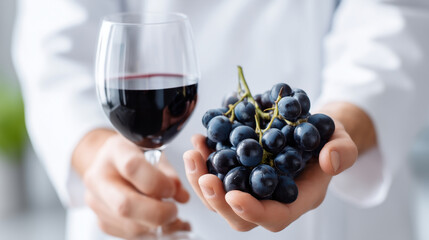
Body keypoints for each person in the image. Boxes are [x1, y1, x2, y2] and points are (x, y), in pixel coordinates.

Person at [12, 0, 429, 240]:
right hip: (136, 213)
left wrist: (343, 119)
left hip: (341, 219)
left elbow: (396, 16)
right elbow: (56, 44)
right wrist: (93, 151)